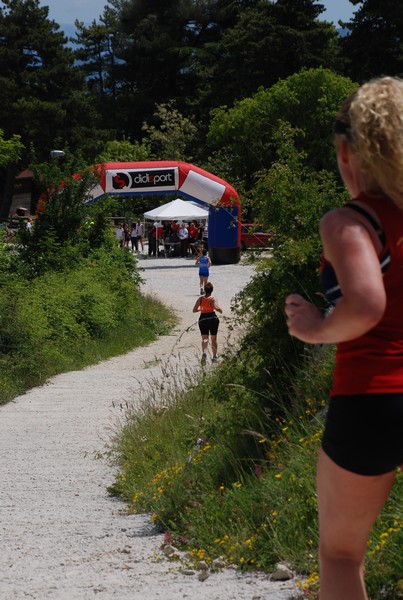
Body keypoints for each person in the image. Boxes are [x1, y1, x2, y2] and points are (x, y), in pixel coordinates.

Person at [284, 76, 403, 599]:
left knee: (339, 553)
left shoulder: (351, 222)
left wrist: (315, 328)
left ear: (346, 151)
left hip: (375, 395)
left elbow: (366, 303)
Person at [193, 281, 222, 364]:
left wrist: (201, 309)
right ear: (212, 290)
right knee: (213, 338)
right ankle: (214, 357)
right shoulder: (213, 299)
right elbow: (216, 307)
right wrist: (220, 310)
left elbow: (194, 310)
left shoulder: (200, 299)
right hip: (212, 318)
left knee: (205, 338)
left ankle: (204, 353)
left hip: (203, 318)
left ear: (204, 290)